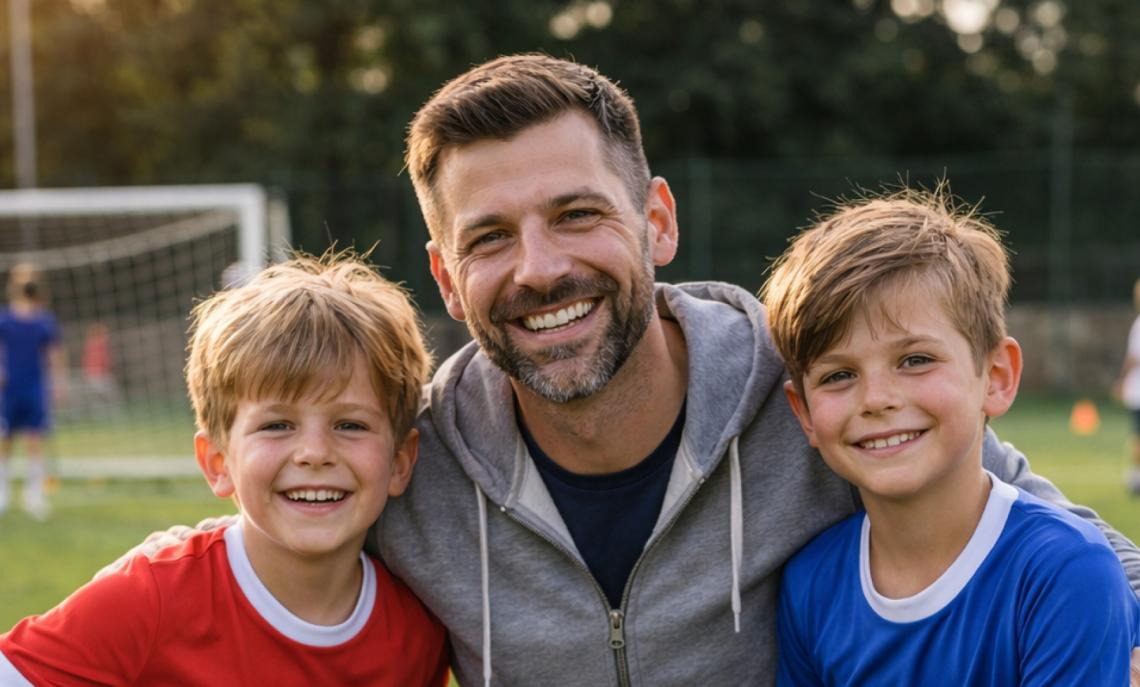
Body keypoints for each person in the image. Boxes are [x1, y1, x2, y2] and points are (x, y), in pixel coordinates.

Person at [107, 54, 1140, 685]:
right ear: (447, 277)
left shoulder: (825, 397)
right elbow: (266, 519)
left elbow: (1082, 560)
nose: (541, 268)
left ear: (656, 221)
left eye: (577, 214)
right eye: (491, 238)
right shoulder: (409, 462)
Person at [0, 251, 449, 686]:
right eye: (277, 425)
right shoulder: (147, 598)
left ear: (399, 461)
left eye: (350, 424)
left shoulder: (417, 634)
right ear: (217, 463)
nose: (315, 452)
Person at [764, 188, 1140, 684]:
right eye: (839, 375)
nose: (876, 398)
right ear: (804, 412)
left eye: (915, 360)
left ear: (997, 376)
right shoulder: (809, 584)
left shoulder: (1066, 573)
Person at [0, 263, 64, 520]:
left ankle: (33, 495)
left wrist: (58, 383)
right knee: (4, 440)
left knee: (34, 440)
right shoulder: (4, 318)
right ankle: (2, 495)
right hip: (9, 388)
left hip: (34, 387)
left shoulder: (44, 321)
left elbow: (54, 353)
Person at [1116, 277, 1140, 496]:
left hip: (1137, 393)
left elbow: (1133, 358)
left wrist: (1122, 381)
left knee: (1137, 436)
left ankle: (1137, 475)